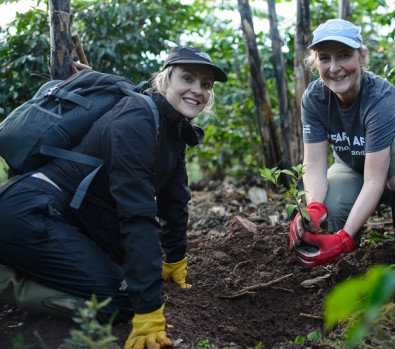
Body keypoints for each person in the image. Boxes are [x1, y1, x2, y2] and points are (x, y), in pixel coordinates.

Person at [0, 46, 227, 348]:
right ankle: (8, 280)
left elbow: (175, 200)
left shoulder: (174, 129)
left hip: (71, 218)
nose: (197, 90)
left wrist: (174, 259)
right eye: (187, 78)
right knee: (123, 300)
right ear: (165, 80)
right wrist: (148, 309)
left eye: (206, 84)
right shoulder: (136, 118)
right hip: (30, 212)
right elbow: (136, 212)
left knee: (133, 276)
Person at [289, 19, 395, 267]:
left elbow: (375, 180)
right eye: (325, 58)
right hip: (350, 168)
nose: (334, 68)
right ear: (316, 63)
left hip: (391, 170)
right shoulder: (314, 98)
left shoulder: (380, 97)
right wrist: (314, 207)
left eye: (344, 55)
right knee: (325, 220)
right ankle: (348, 242)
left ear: (362, 57)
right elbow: (313, 164)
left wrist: (342, 239)